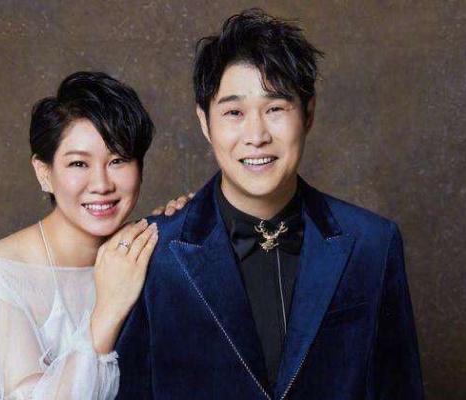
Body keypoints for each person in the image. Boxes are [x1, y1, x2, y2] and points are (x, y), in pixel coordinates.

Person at [116, 9, 423, 399]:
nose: (256, 135)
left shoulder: (372, 244)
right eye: (234, 113)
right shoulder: (151, 252)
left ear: (308, 114)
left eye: (276, 108)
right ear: (204, 122)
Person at [0, 71, 190, 399]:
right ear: (44, 172)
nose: (102, 184)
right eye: (79, 164)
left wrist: (191, 221)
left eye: (118, 160)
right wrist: (108, 310)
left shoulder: (148, 251)